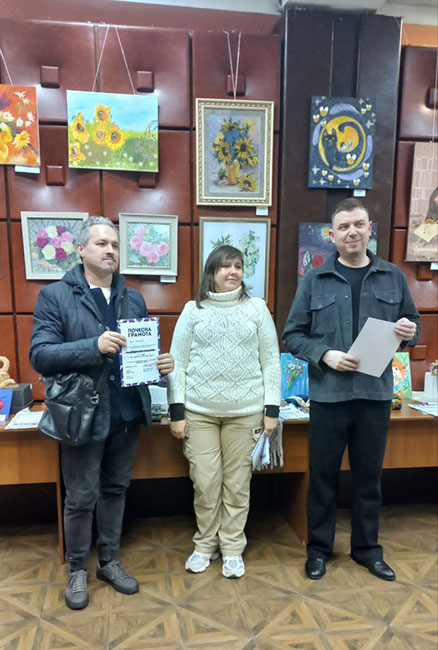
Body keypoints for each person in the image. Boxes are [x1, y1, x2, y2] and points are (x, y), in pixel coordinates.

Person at [30, 216, 173, 610]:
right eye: (101, 243)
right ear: (80, 250)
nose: (110, 250)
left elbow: (137, 358)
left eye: (114, 244)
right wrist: (92, 346)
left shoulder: (133, 298)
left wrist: (159, 367)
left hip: (126, 415)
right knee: (80, 497)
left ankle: (109, 561)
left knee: (115, 490)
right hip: (81, 417)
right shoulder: (55, 296)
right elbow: (40, 355)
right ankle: (78, 568)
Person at [283, 198, 420, 582]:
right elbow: (292, 335)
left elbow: (412, 325)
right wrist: (324, 354)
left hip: (375, 397)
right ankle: (318, 550)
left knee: (369, 479)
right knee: (322, 478)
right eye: (343, 227)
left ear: (370, 228)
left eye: (358, 224)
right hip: (328, 397)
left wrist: (410, 331)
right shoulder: (314, 280)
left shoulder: (393, 277)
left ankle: (367, 550)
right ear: (333, 235)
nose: (352, 232)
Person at [167, 245, 281, 579]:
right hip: (199, 413)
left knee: (237, 485)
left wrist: (271, 409)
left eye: (238, 266)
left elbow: (271, 361)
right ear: (212, 272)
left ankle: (232, 548)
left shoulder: (257, 309)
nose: (233, 272)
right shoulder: (193, 311)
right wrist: (177, 412)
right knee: (205, 483)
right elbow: (177, 363)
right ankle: (205, 544)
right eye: (225, 266)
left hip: (246, 413)